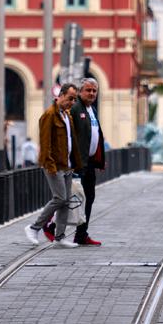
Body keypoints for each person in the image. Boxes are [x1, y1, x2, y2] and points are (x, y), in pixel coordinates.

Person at [24, 84, 82, 248]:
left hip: (67, 165)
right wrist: (50, 165)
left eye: (75, 99)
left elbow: (71, 142)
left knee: (65, 201)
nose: (72, 102)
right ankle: (34, 227)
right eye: (70, 98)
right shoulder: (49, 115)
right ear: (61, 95)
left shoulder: (67, 115)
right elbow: (45, 142)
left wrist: (76, 163)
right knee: (60, 198)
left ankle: (60, 236)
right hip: (54, 165)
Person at [70, 78, 105, 246]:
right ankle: (50, 225)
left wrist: (100, 160)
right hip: (78, 162)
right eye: (88, 90)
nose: (91, 93)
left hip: (89, 162)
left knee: (88, 197)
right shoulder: (76, 108)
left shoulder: (93, 110)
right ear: (79, 91)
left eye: (94, 91)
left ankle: (81, 234)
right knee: (73, 198)